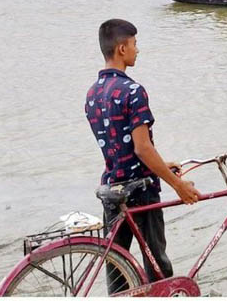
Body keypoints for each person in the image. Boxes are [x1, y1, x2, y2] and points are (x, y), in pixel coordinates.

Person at [85, 20, 199, 292]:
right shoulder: (133, 91)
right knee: (157, 267)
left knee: (117, 267)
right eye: (135, 44)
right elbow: (142, 148)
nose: (138, 50)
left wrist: (162, 163)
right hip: (141, 190)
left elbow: (119, 143)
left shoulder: (92, 93)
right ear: (122, 48)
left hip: (113, 189)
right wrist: (179, 185)